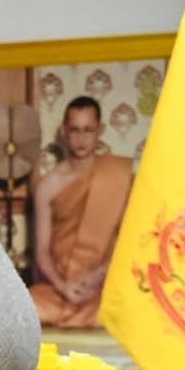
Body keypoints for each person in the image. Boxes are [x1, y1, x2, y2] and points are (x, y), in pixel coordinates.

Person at [28, 96, 132, 327]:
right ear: (65, 131)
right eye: (75, 130)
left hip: (104, 285)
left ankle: (83, 314)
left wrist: (98, 276)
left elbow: (128, 241)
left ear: (100, 130)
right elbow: (42, 252)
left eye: (88, 130)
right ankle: (80, 314)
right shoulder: (48, 186)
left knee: (133, 306)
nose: (81, 139)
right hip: (59, 287)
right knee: (27, 305)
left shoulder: (116, 176)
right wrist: (64, 286)